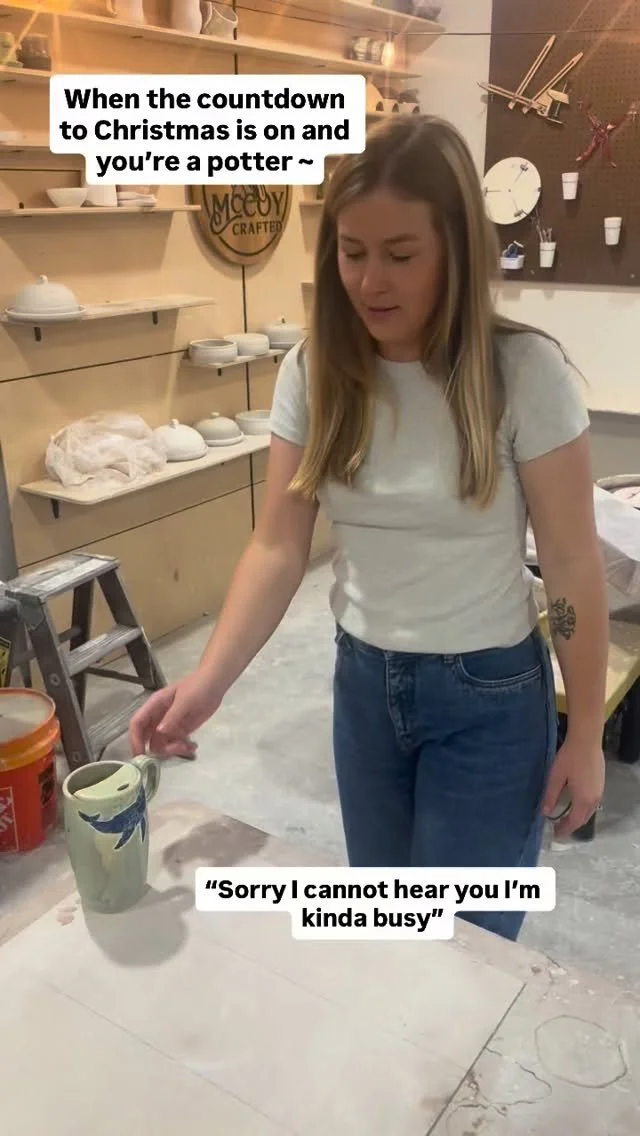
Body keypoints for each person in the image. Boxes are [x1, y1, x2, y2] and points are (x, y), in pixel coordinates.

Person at [129, 115, 608, 941]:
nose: (369, 281)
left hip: (489, 697)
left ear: (456, 249)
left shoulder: (524, 374)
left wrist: (588, 731)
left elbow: (570, 563)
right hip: (365, 686)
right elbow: (278, 545)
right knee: (389, 932)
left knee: (461, 951)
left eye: (400, 254)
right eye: (351, 251)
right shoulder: (316, 372)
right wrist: (207, 682)